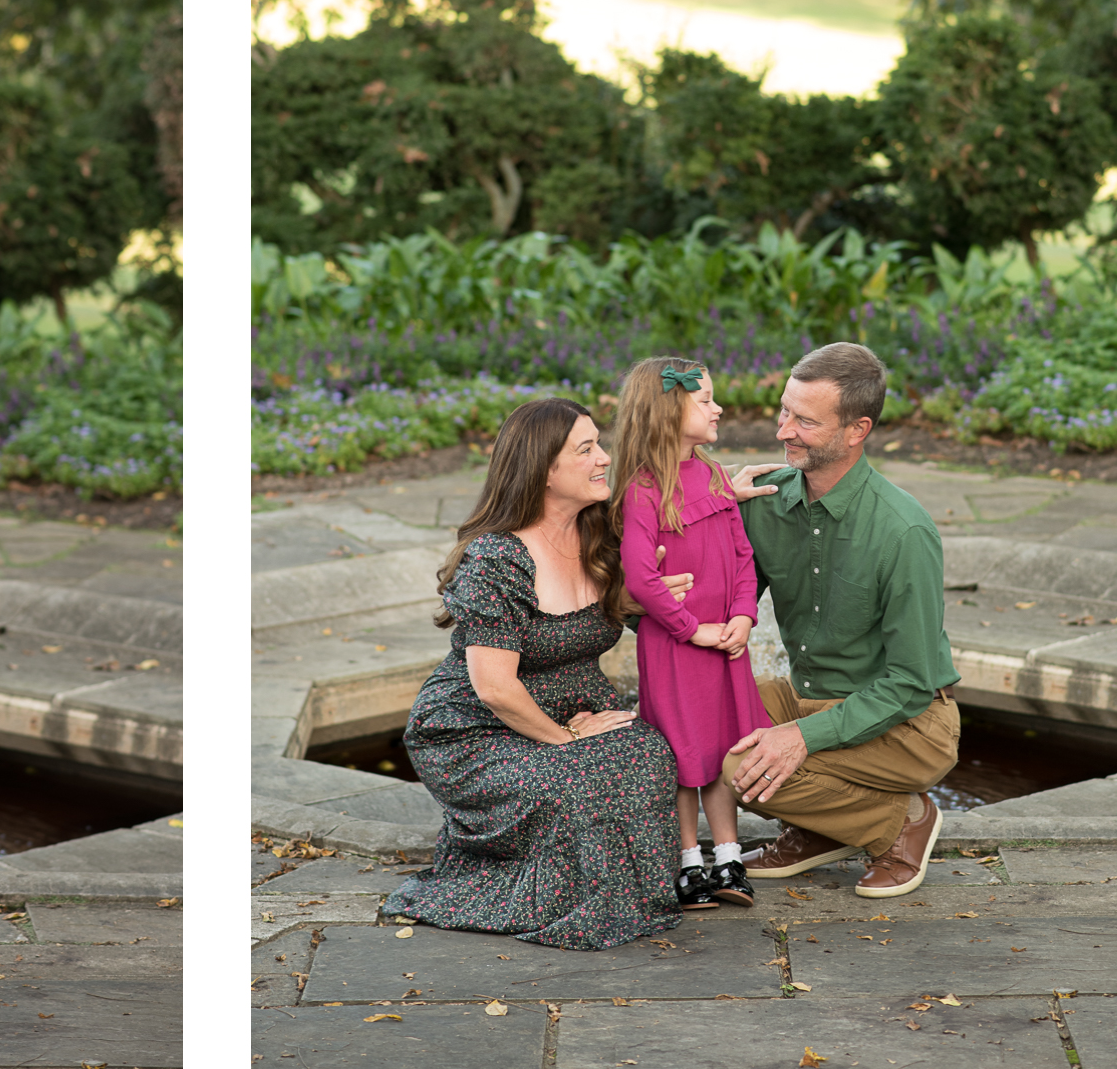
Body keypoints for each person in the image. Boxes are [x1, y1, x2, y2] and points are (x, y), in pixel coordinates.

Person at [383, 397, 684, 950]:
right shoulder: (496, 559)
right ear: (544, 469)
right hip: (476, 730)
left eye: (601, 443)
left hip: (571, 714)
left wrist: (719, 508)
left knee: (648, 754)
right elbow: (494, 687)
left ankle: (629, 892)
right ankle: (539, 891)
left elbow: (674, 555)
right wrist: (565, 739)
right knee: (575, 780)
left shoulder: (602, 536)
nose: (605, 458)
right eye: (586, 449)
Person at [724, 342, 960, 898]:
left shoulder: (905, 532)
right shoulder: (760, 501)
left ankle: (900, 821)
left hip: (910, 723)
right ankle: (822, 828)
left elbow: (909, 684)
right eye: (784, 411)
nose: (784, 431)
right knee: (704, 732)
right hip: (810, 694)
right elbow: (712, 616)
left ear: (857, 430)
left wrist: (800, 737)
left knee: (747, 766)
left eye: (805, 421)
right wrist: (701, 518)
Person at [612, 357, 770, 911]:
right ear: (667, 409)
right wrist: (691, 630)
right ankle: (688, 861)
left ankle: (728, 854)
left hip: (726, 643)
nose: (717, 407)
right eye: (704, 400)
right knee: (684, 755)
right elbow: (641, 577)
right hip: (678, 648)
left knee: (727, 749)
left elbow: (743, 556)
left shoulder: (717, 475)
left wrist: (744, 617)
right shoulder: (643, 490)